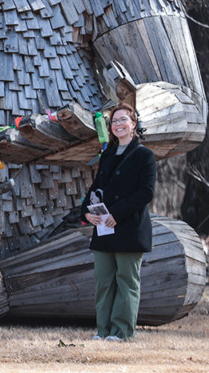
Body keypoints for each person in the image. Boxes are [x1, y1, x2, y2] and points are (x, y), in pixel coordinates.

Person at [81, 102, 157, 341]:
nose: (118, 124)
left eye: (123, 120)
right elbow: (95, 188)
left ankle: (121, 332)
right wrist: (86, 212)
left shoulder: (145, 156)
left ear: (133, 124)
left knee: (127, 281)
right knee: (104, 282)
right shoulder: (107, 155)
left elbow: (146, 192)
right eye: (114, 121)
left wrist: (117, 214)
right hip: (103, 228)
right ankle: (103, 331)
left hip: (129, 227)